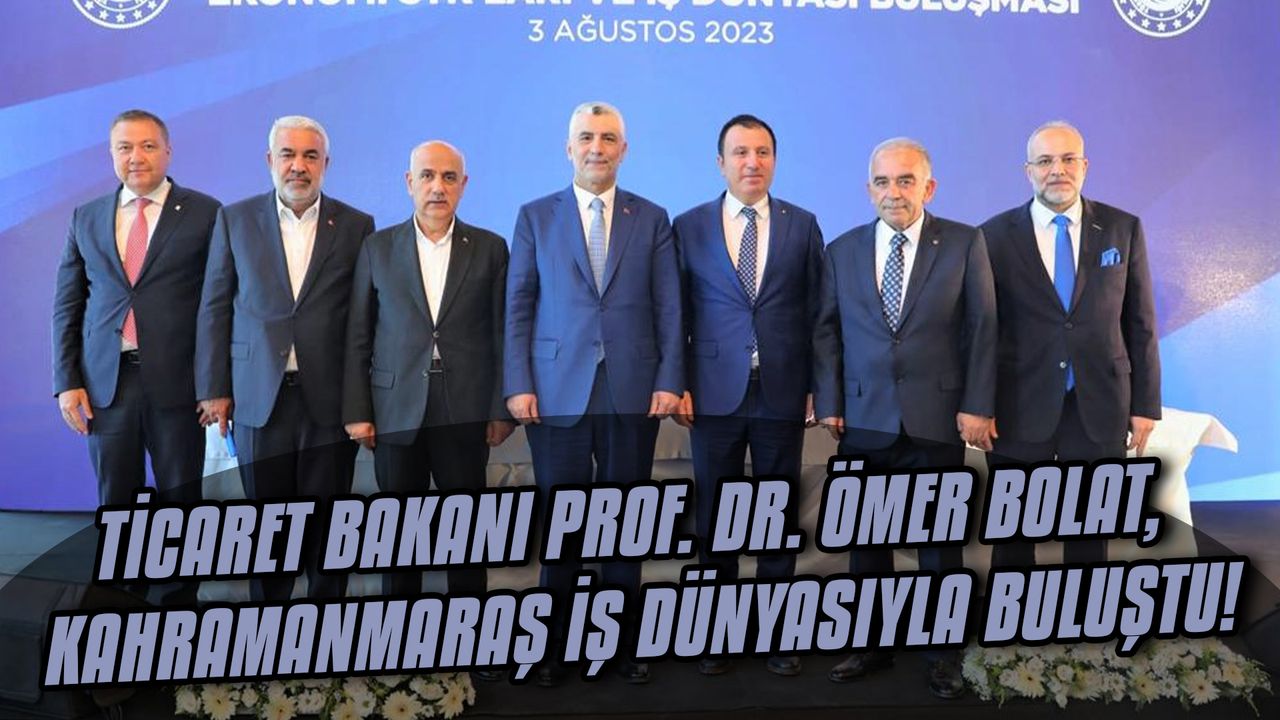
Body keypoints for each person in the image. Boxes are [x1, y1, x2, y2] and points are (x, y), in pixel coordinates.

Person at [504, 101, 683, 686]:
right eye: (586, 137)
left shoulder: (651, 217)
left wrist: (669, 379)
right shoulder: (535, 216)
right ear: (569, 147)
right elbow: (519, 305)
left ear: (624, 149)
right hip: (555, 389)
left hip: (633, 388)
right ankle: (554, 645)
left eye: (608, 139)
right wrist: (518, 383)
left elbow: (669, 306)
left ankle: (618, 642)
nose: (597, 148)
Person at [814, 137, 996, 699]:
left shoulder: (964, 242)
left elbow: (982, 328)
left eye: (906, 180)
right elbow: (826, 332)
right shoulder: (842, 250)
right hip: (863, 418)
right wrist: (830, 401)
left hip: (936, 417)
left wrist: (978, 404)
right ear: (869, 189)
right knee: (868, 542)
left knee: (938, 545)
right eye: (883, 181)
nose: (894, 192)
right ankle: (872, 644)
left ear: (929, 187)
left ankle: (943, 654)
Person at [196, 115, 375, 602]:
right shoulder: (234, 219)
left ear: (326, 164)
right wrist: (214, 389)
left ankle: (325, 628)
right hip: (258, 399)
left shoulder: (356, 225)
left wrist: (360, 403)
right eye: (288, 155)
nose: (299, 165)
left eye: (310, 156)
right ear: (269, 160)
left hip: (328, 403)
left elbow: (362, 322)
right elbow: (215, 306)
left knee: (328, 529)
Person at [672, 114, 824, 678]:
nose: (752, 162)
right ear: (721, 163)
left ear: (774, 161)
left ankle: (777, 634)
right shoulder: (689, 226)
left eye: (762, 152)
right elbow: (675, 314)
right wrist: (677, 382)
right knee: (716, 516)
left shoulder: (802, 225)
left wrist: (818, 386)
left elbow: (819, 314)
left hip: (782, 390)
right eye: (740, 152)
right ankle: (717, 633)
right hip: (712, 393)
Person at [52, 109, 220, 605]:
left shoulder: (206, 213)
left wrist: (216, 383)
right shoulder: (86, 217)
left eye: (147, 146)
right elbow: (68, 304)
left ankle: (178, 606)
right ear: (112, 154)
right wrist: (67, 381)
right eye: (124, 147)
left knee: (181, 498)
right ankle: (121, 602)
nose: (136, 157)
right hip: (108, 384)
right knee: (117, 500)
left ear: (167, 151)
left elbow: (220, 304)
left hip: (180, 385)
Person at [981, 121, 1161, 566]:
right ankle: (1013, 606)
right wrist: (978, 405)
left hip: (1100, 402)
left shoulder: (1122, 228)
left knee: (1090, 531)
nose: (1057, 170)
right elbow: (981, 330)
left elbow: (1140, 322)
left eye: (1067, 159)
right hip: (1018, 404)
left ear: (1085, 166)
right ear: (1028, 171)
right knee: (1013, 532)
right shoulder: (992, 236)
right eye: (1045, 161)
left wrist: (1145, 405)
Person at [343, 140, 513, 600]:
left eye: (449, 177)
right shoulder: (377, 248)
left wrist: (500, 409)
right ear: (409, 182)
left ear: (464, 185)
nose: (438, 187)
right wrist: (357, 411)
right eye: (427, 176)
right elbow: (359, 335)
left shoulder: (490, 248)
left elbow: (503, 335)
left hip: (465, 409)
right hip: (394, 409)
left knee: (468, 534)